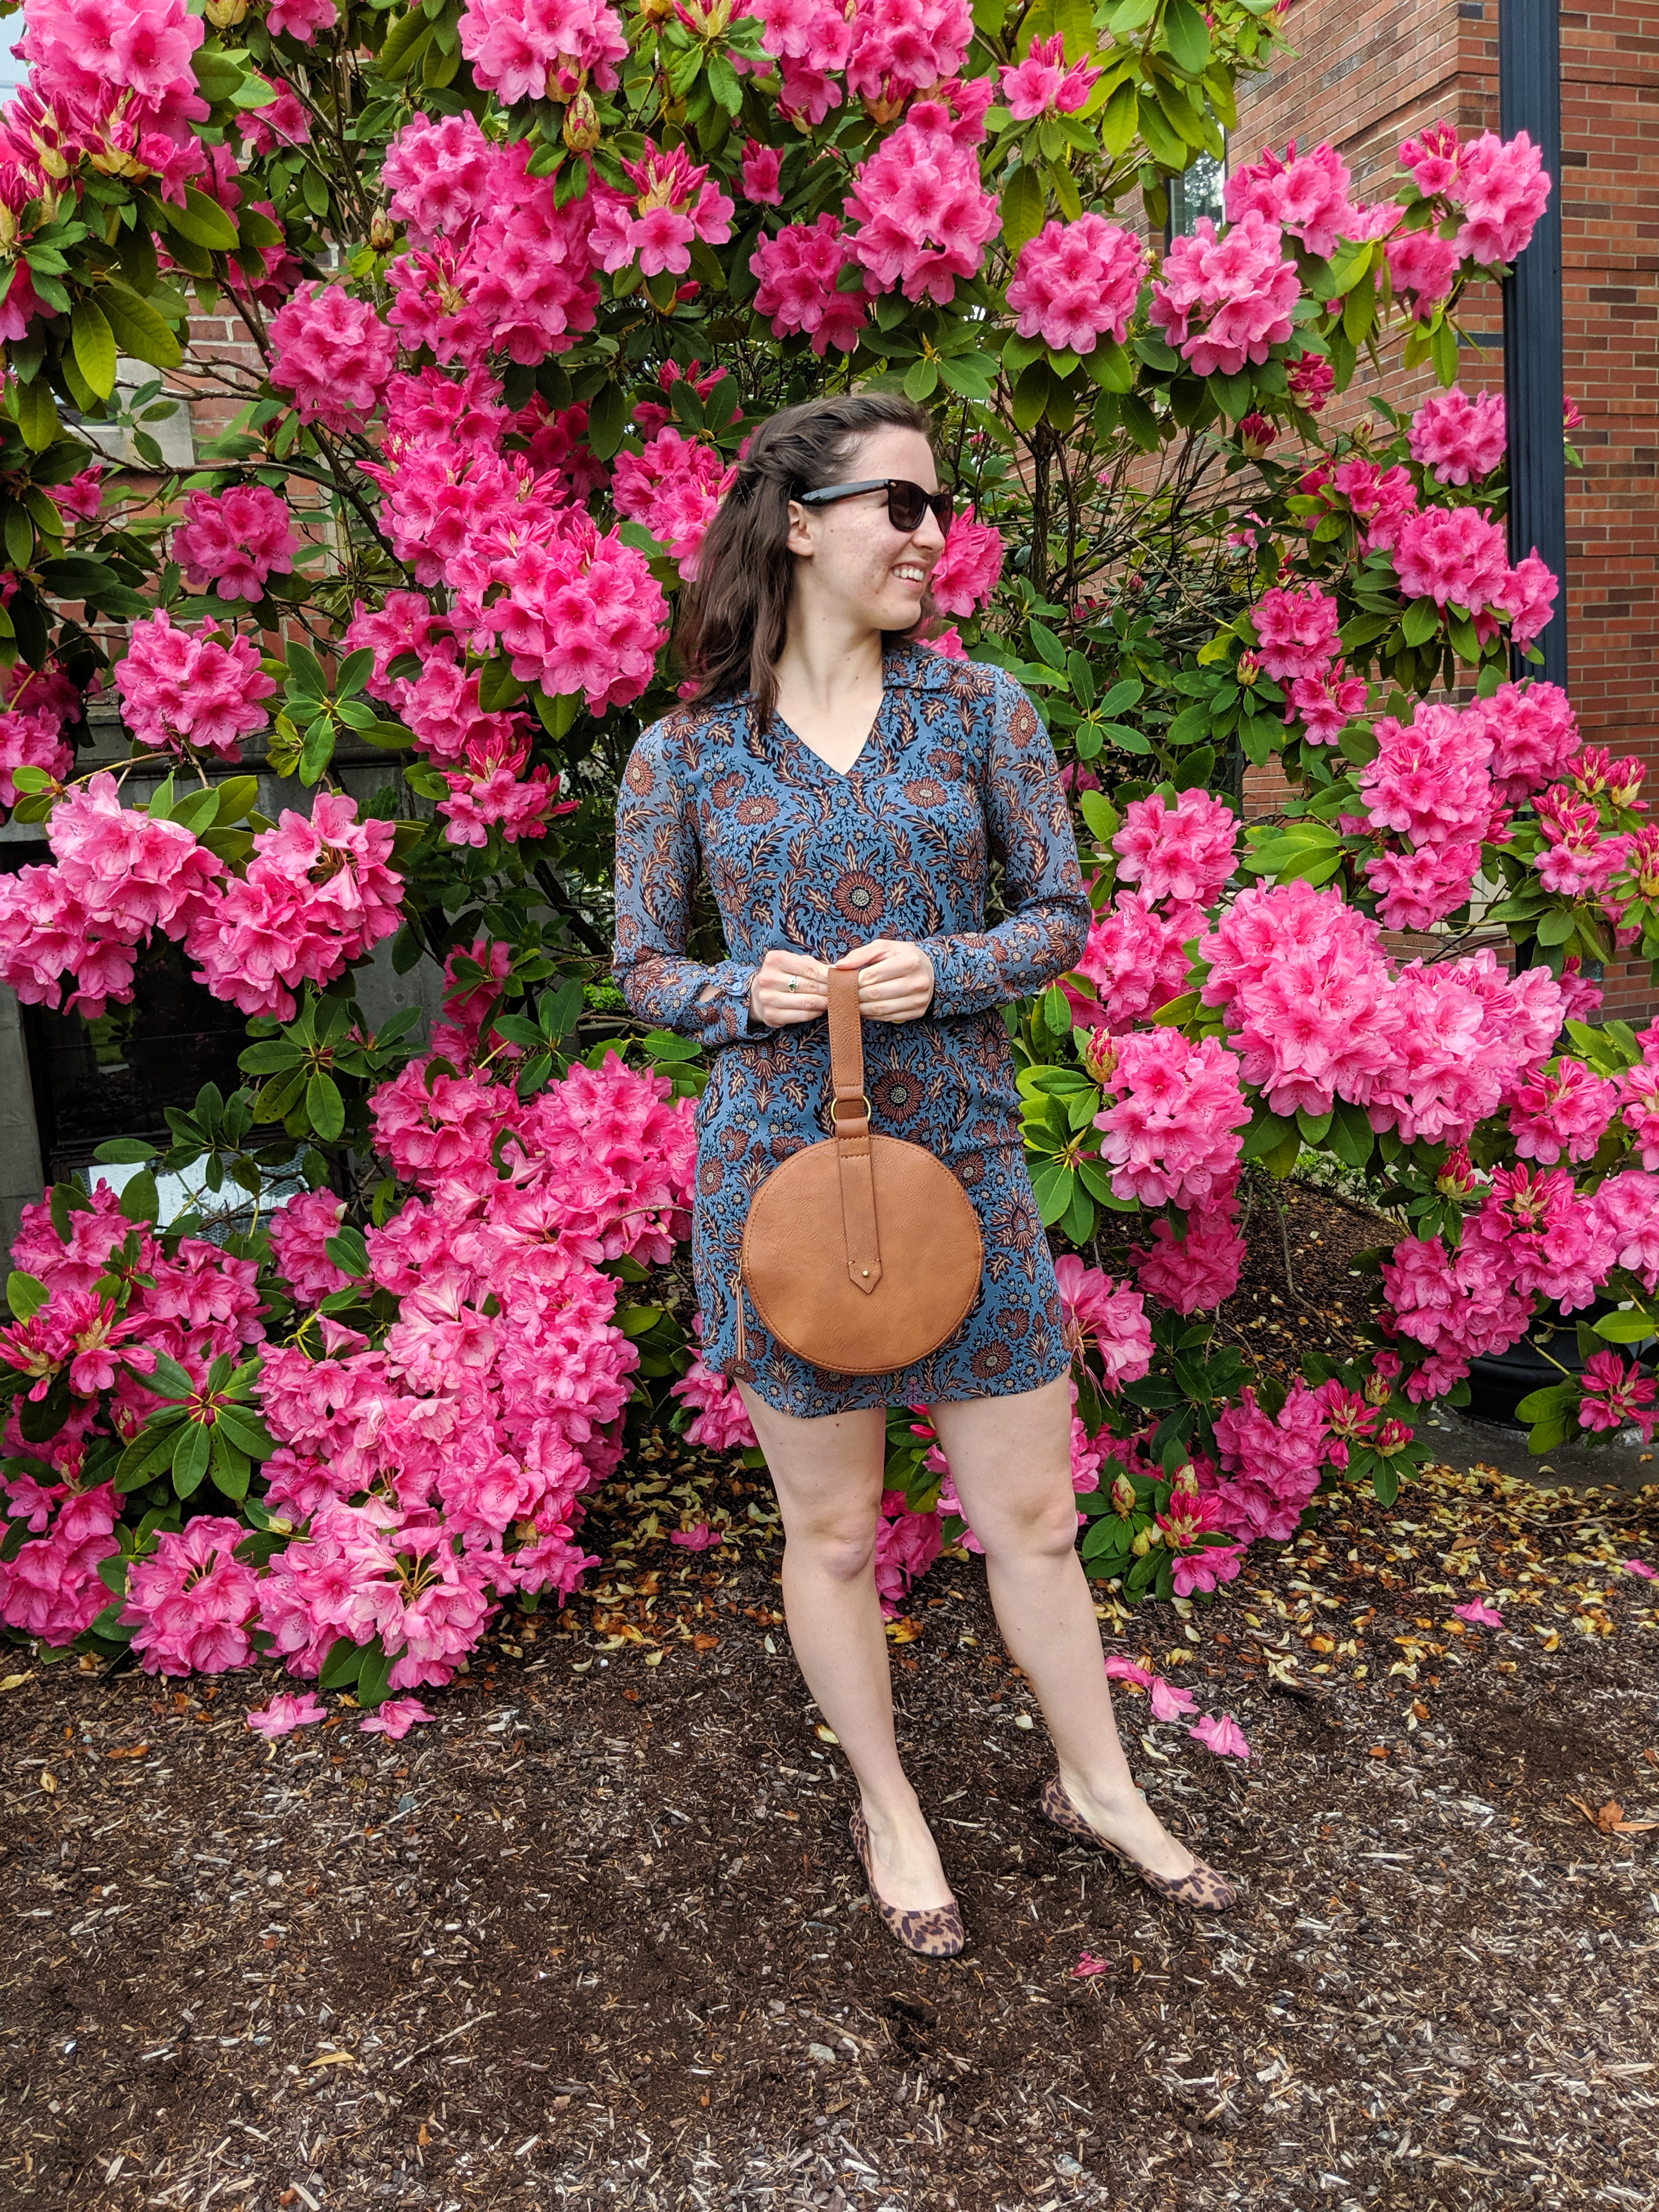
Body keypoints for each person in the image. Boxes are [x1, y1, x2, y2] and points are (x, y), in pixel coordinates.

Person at [612, 391, 1237, 1956]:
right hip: (781, 1177)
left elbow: (1061, 914)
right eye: (900, 504)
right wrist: (740, 991)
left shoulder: (982, 710)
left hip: (964, 1157)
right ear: (798, 524)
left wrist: (945, 967)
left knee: (1033, 1518)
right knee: (831, 1534)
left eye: (938, 506)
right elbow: (642, 965)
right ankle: (890, 1808)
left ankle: (1099, 1786)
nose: (931, 535)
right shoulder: (685, 753)